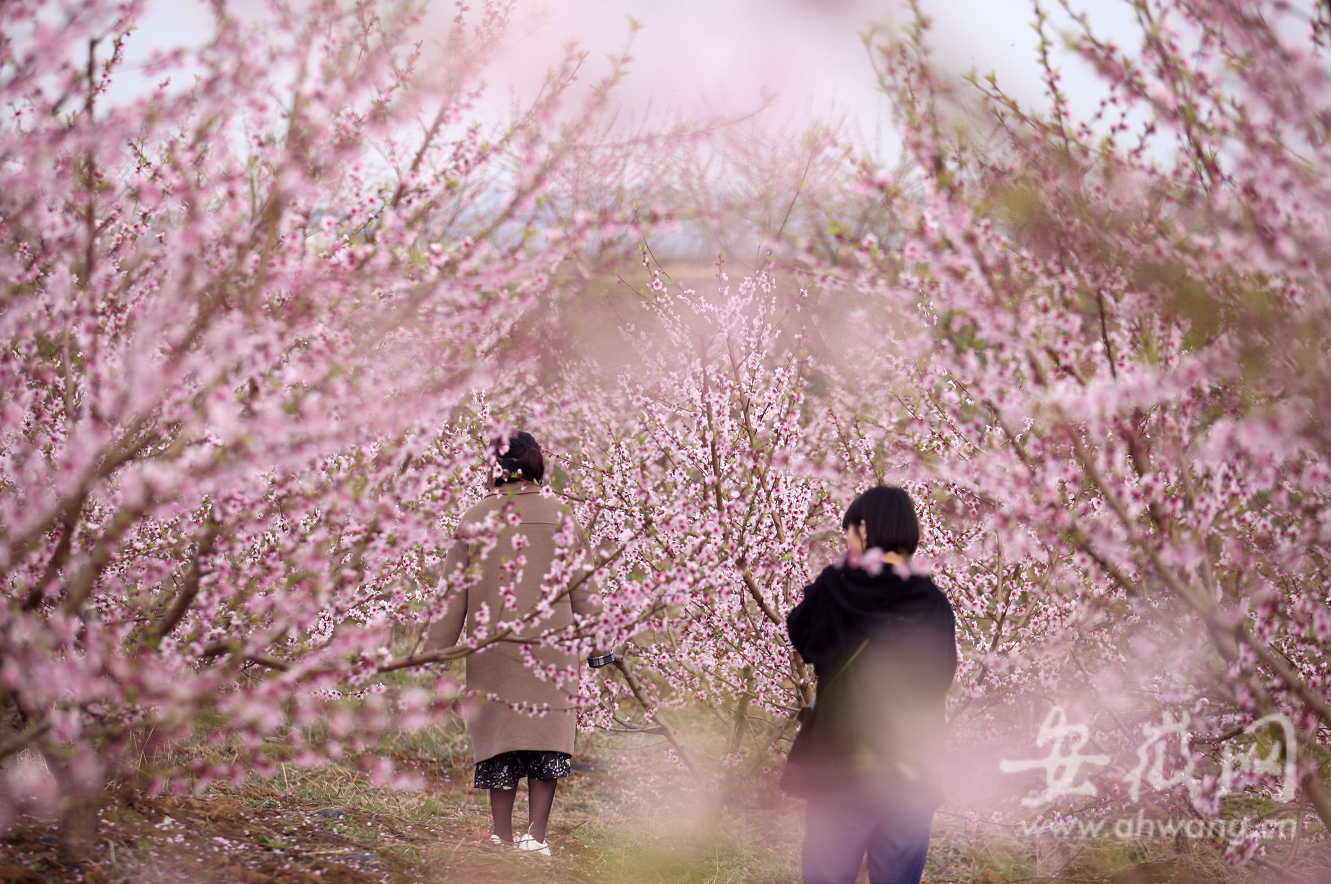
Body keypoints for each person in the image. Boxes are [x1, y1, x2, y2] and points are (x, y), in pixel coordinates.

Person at [423, 432, 606, 856]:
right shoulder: (561, 514)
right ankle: (535, 838)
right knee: (547, 740)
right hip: (551, 650)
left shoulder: (475, 518)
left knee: (499, 739)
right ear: (537, 464)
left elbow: (453, 597)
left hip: (494, 650)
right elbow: (585, 589)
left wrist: (435, 656)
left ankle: (499, 835)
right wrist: (599, 644)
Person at [782, 485, 957, 884]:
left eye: (848, 530)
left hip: (842, 771)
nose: (845, 540)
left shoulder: (835, 587)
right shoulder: (933, 601)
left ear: (863, 528)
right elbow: (942, 678)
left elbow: (801, 634)